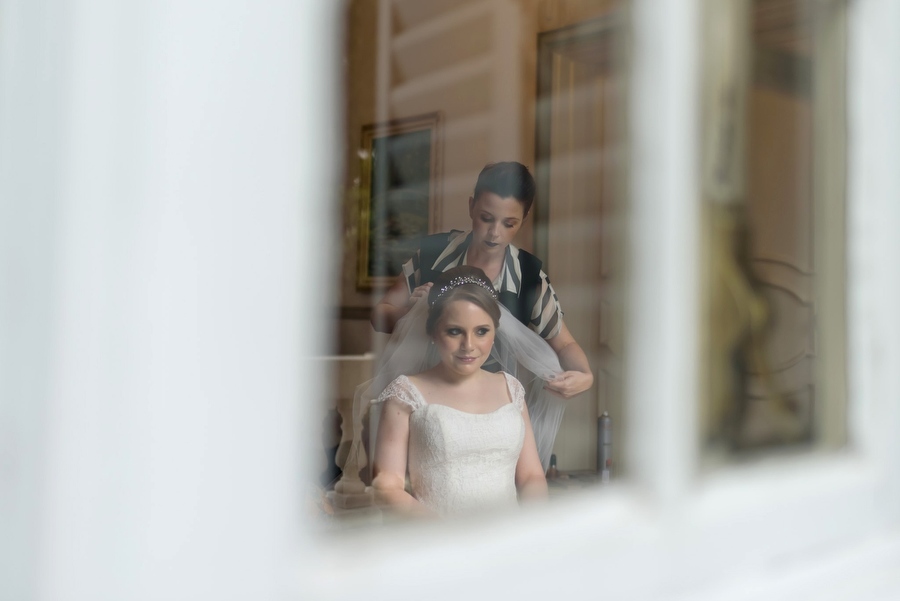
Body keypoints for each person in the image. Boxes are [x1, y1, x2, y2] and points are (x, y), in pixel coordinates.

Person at [371, 161, 593, 400]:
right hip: (425, 399)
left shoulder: (530, 280)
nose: (495, 233)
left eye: (509, 223)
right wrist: (410, 312)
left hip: (490, 406)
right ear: (471, 206)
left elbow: (565, 344)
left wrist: (586, 374)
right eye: (486, 218)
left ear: (524, 218)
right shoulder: (431, 256)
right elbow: (379, 315)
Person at [370, 267, 549, 517]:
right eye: (455, 331)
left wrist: (533, 528)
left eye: (481, 331)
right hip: (438, 540)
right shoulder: (405, 393)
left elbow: (531, 476)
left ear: (495, 331)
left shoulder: (511, 389)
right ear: (433, 332)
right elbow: (386, 486)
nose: (469, 346)